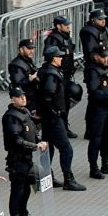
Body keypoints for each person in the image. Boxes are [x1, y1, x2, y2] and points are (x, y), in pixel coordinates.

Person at [38, 44, 86, 192]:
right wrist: (54, 113)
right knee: (66, 149)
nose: (61, 58)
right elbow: (48, 96)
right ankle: (68, 180)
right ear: (53, 59)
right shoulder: (52, 75)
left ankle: (44, 177)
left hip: (48, 118)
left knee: (48, 148)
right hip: (53, 119)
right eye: (59, 56)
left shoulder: (46, 71)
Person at [2, 89, 47, 216]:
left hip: (27, 158)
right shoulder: (11, 117)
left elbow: (33, 131)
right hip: (17, 160)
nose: (23, 98)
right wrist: (35, 146)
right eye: (19, 97)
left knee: (27, 188)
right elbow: (16, 140)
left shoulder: (25, 112)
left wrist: (39, 141)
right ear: (12, 99)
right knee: (17, 191)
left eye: (24, 96)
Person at [84, 49, 108, 179]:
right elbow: (94, 92)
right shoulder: (92, 71)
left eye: (106, 57)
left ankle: (105, 163)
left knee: (107, 137)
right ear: (95, 56)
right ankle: (93, 168)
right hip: (97, 110)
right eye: (102, 57)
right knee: (96, 139)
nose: (106, 59)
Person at [9, 39, 39, 117]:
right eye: (29, 49)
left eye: (32, 49)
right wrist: (30, 79)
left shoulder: (27, 60)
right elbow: (17, 84)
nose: (32, 51)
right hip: (26, 99)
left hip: (33, 97)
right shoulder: (16, 64)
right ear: (21, 49)